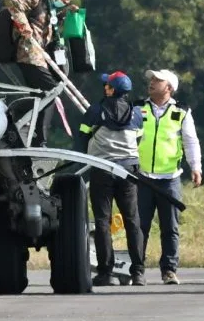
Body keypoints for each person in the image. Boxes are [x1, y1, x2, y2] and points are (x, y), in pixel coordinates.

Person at [74, 71, 146, 287]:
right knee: (133, 221)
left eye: (107, 85)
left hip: (102, 170)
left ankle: (106, 273)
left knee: (103, 222)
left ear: (112, 90)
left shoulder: (96, 110)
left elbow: (83, 135)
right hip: (129, 171)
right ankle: (139, 272)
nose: (104, 87)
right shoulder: (136, 113)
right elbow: (138, 138)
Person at [136, 69, 202, 285]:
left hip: (170, 178)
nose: (152, 83)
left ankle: (169, 270)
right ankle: (137, 270)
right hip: (142, 177)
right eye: (151, 80)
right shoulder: (138, 107)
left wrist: (196, 167)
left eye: (157, 80)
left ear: (169, 88)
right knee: (139, 226)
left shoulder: (182, 112)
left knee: (170, 227)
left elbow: (190, 141)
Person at [3, 0, 79, 146]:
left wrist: (65, 13)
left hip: (40, 57)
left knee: (45, 93)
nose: (67, 0)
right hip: (29, 55)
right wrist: (24, 26)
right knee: (50, 90)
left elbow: (46, 26)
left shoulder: (50, 6)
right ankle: (37, 136)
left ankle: (32, 132)